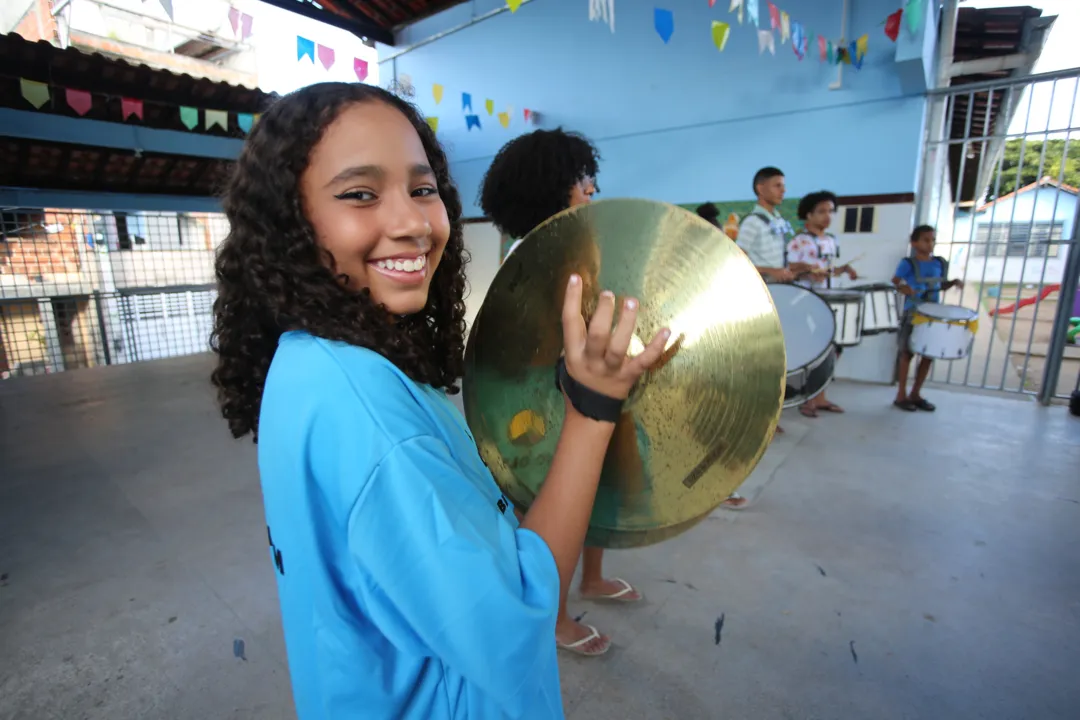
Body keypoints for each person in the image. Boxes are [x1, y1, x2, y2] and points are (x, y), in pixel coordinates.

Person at [209, 83, 670, 719]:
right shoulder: (377, 426)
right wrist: (593, 408)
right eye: (360, 194)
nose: (413, 224)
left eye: (423, 189)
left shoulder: (306, 359)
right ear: (290, 220)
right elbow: (516, 618)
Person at [478, 128, 644, 657]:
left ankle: (592, 578)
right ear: (551, 188)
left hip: (595, 385)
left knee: (604, 483)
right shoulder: (538, 257)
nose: (591, 190)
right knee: (555, 497)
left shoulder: (578, 246)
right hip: (548, 397)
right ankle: (553, 616)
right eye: (580, 181)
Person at [786, 190, 858, 417]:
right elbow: (792, 268)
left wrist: (843, 269)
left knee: (833, 348)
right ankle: (807, 399)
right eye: (821, 211)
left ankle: (820, 397)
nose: (827, 216)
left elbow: (829, 268)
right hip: (807, 301)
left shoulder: (831, 241)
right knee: (813, 350)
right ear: (808, 215)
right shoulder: (799, 241)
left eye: (830, 211)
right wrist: (809, 270)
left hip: (829, 298)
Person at [892, 225, 963, 412]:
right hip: (913, 313)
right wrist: (904, 288)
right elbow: (896, 281)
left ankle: (916, 393)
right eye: (925, 240)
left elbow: (940, 285)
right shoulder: (908, 263)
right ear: (914, 243)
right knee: (906, 353)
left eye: (932, 240)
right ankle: (901, 395)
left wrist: (953, 283)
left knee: (928, 355)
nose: (930, 243)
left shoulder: (939, 263)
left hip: (933, 314)